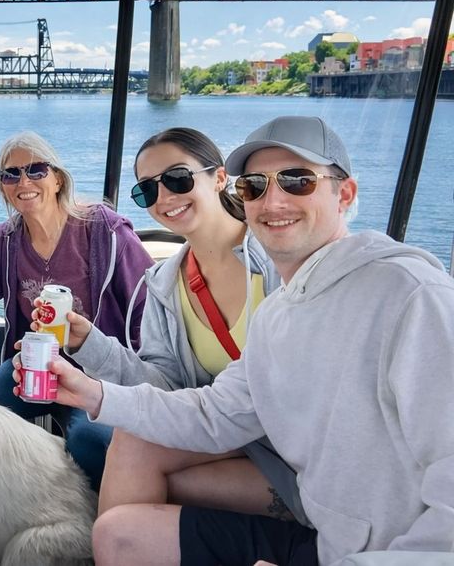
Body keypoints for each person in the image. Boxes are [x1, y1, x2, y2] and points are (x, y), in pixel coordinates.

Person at [29, 116, 454, 565]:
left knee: (122, 450)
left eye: (296, 181)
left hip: (362, 528)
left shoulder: (407, 295)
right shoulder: (261, 310)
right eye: (256, 186)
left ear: (344, 194)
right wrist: (89, 378)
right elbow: (210, 407)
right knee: (121, 510)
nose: (274, 201)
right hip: (319, 510)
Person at [42, 127, 303, 526]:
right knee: (132, 448)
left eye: (178, 179)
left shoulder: (278, 259)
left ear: (219, 178)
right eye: (147, 190)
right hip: (230, 442)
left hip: (296, 451)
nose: (164, 198)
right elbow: (164, 386)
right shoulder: (163, 283)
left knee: (135, 461)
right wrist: (88, 343)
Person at [0, 130, 153, 489]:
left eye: (36, 170)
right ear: (3, 189)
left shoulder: (105, 232)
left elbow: (147, 306)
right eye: (10, 174)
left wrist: (138, 380)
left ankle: (96, 524)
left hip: (98, 373)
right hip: (29, 367)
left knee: (92, 441)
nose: (23, 181)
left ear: (58, 178)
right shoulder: (4, 241)